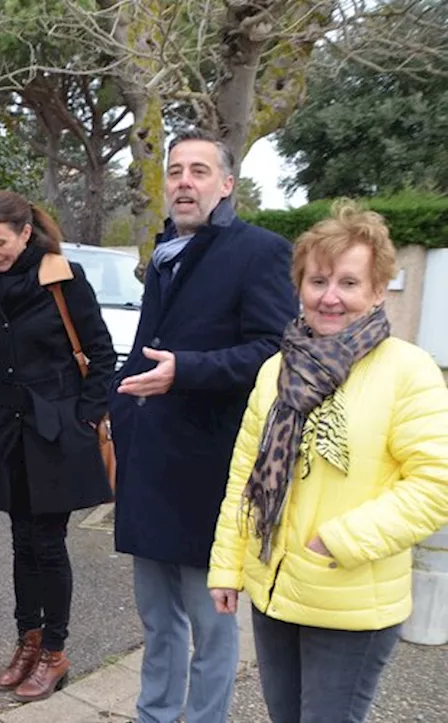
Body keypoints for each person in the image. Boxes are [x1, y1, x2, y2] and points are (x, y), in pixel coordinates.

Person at [209, 202, 448, 722]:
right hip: (274, 590)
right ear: (300, 287)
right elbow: (245, 477)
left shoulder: (409, 371)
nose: (330, 296)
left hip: (349, 597)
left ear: (378, 290)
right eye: (318, 281)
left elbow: (436, 485)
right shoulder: (277, 368)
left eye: (348, 282)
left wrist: (336, 541)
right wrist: (227, 566)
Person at [108, 128, 298, 723]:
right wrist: (117, 415)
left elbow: (274, 350)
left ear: (226, 184)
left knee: (211, 631)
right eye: (175, 171)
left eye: (198, 171)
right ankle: (156, 714)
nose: (184, 182)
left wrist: (186, 372)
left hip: (207, 476)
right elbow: (149, 348)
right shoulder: (165, 253)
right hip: (149, 469)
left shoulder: (260, 251)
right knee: (157, 620)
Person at [0, 191, 115, 702]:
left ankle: (55, 651)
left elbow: (100, 354)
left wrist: (85, 416)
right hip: (8, 433)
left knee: (48, 545)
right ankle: (26, 641)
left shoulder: (62, 278)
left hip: (57, 434)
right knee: (21, 543)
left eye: (0, 242)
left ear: (25, 233)